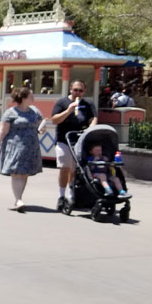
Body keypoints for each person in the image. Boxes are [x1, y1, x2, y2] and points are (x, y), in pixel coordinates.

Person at [0, 86, 46, 212]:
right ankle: (18, 199)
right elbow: (3, 130)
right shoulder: (10, 113)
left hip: (31, 147)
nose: (33, 98)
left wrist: (42, 129)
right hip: (14, 146)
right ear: (23, 98)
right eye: (31, 96)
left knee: (25, 173)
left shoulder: (35, 111)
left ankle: (19, 197)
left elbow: (40, 126)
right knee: (16, 173)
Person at [49, 80, 97, 210]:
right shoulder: (62, 102)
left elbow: (94, 118)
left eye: (80, 91)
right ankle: (61, 196)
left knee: (74, 169)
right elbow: (54, 120)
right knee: (64, 167)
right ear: (70, 89)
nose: (78, 93)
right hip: (64, 139)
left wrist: (90, 128)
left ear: (84, 91)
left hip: (80, 140)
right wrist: (68, 110)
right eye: (75, 90)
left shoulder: (88, 104)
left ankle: (72, 195)